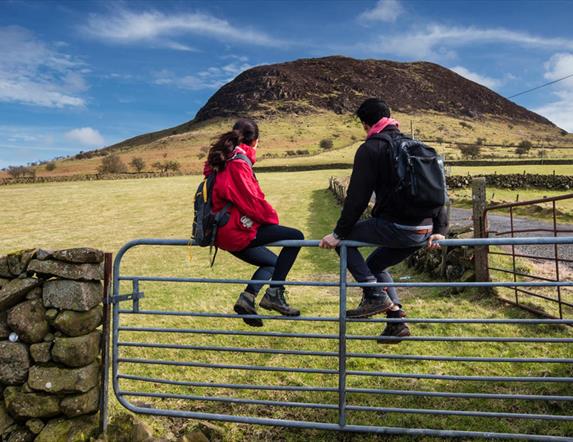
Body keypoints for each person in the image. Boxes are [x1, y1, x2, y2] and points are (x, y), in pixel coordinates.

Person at [319, 98, 448, 343]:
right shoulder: (418, 146)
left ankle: (374, 295)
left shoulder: (372, 148)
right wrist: (440, 229)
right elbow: (440, 190)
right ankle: (396, 320)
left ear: (366, 124)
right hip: (424, 230)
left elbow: (357, 197)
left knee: (345, 244)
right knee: (376, 265)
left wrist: (338, 234)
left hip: (396, 227)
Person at [204, 118, 304, 327]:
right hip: (234, 230)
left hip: (220, 232)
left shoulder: (221, 160)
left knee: (272, 263)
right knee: (296, 237)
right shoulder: (238, 163)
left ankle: (248, 298)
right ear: (255, 141)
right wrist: (272, 221)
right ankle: (274, 294)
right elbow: (251, 201)